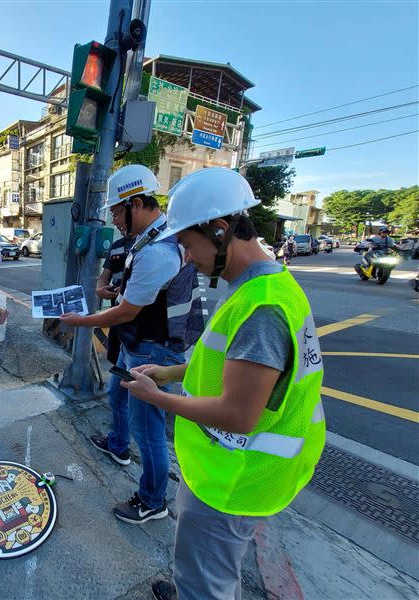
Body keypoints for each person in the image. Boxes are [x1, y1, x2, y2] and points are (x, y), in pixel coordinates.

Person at [120, 167, 326, 600]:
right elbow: (226, 369)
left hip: (233, 480)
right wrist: (169, 373)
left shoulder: (261, 307)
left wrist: (158, 398)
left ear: (219, 229)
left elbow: (239, 414)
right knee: (200, 569)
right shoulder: (263, 286)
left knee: (207, 586)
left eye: (188, 244)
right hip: (230, 470)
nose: (187, 257)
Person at [60, 164, 203, 524]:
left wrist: (81, 321)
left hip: (153, 349)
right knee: (117, 395)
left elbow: (125, 313)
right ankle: (118, 445)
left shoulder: (158, 248)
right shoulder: (155, 236)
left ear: (136, 203)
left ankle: (153, 500)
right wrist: (116, 288)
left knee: (149, 429)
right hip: (141, 342)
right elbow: (142, 292)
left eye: (117, 212)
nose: (115, 221)